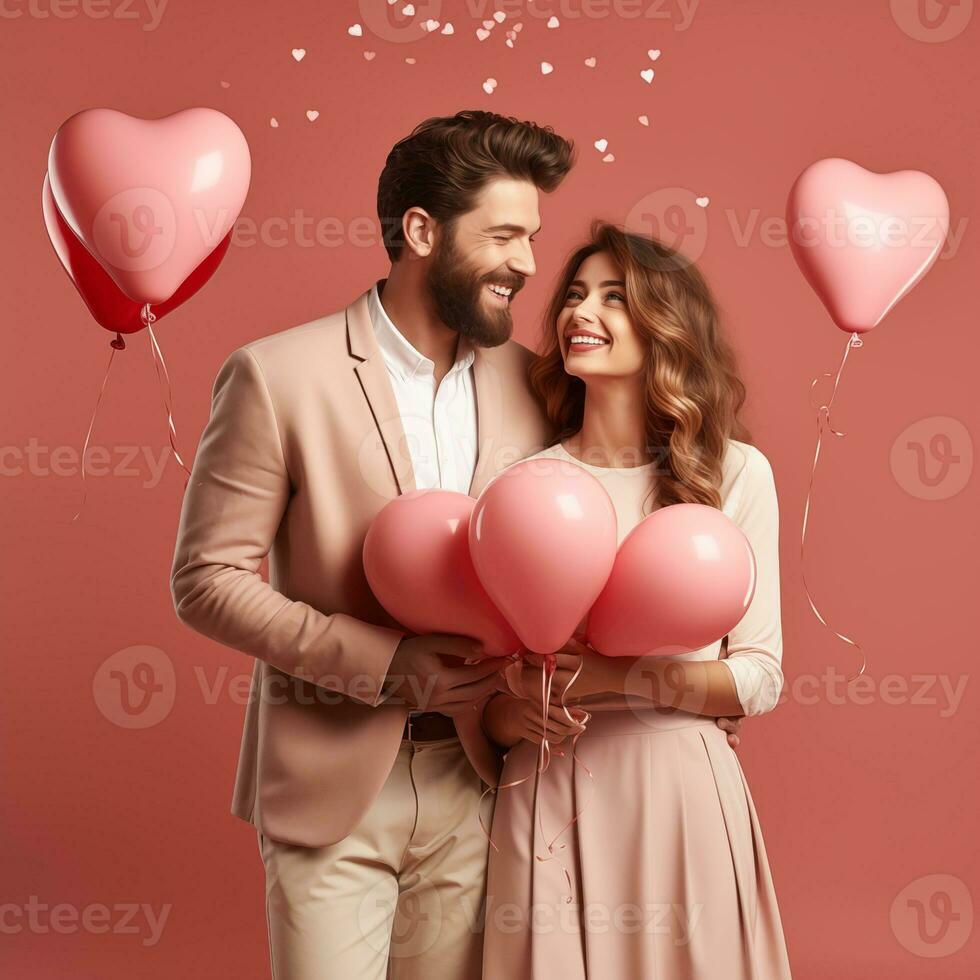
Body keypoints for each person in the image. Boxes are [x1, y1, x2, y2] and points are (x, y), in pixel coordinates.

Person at [169, 110, 576, 980]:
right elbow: (206, 578)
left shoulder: (536, 382)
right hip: (328, 785)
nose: (529, 264)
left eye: (533, 237)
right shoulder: (276, 375)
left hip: (483, 782)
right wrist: (385, 662)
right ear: (422, 232)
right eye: (504, 235)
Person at [481, 222, 793, 978]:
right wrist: (507, 712)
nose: (582, 312)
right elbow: (486, 689)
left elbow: (760, 675)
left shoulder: (737, 474)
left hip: (678, 796)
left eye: (614, 298)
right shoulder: (520, 484)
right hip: (547, 789)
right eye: (576, 295)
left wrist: (622, 680)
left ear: (666, 326)